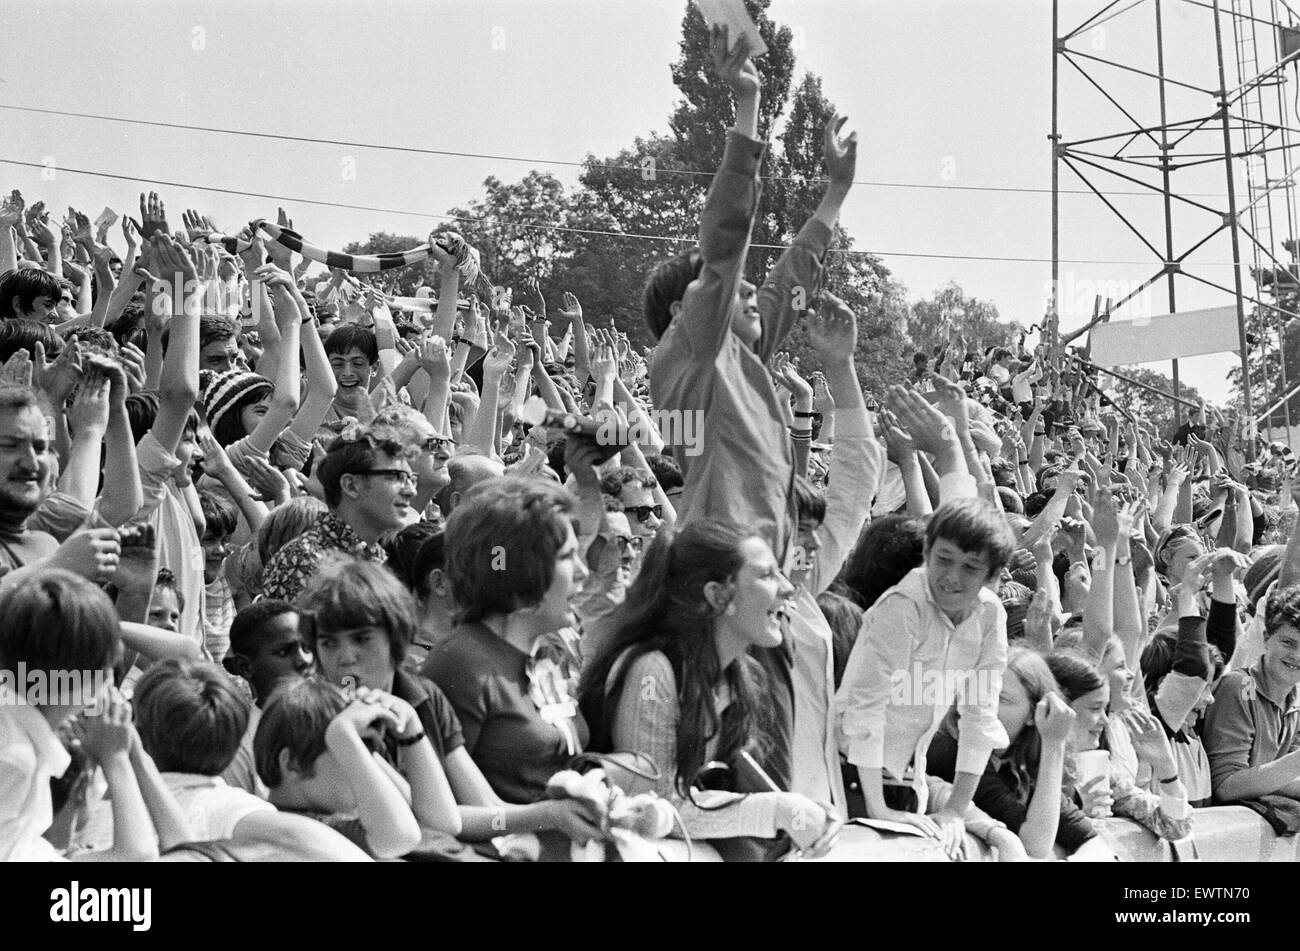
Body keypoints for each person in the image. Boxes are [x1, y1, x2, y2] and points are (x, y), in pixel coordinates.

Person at [580, 519, 840, 857]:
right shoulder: (652, 671)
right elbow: (652, 809)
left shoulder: (744, 676)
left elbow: (719, 795)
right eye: (766, 576)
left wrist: (807, 812)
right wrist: (779, 810)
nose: (788, 588)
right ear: (717, 595)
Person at [835, 497, 1015, 859]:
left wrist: (955, 811)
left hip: (910, 776)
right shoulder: (902, 605)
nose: (951, 577)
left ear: (991, 576)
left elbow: (979, 716)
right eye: (943, 559)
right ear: (928, 550)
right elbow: (865, 709)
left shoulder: (990, 614)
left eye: (970, 567)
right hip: (849, 774)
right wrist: (878, 810)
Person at [927, 646, 1112, 859]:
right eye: (977, 691)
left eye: (1001, 698)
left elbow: (1089, 839)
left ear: (1035, 714)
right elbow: (1035, 846)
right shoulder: (950, 749)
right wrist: (1054, 745)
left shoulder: (1018, 762)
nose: (982, 704)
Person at [255, 677, 457, 858]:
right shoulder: (299, 829)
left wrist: (411, 728)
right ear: (294, 763)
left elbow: (443, 824)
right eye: (347, 750)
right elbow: (402, 837)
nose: (363, 765)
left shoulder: (327, 811)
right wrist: (342, 733)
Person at [260, 423, 415, 603]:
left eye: (411, 479)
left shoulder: (377, 557)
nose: (411, 491)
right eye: (396, 477)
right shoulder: (305, 559)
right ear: (350, 485)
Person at [1203, 584, 1300, 805]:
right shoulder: (1240, 686)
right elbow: (1226, 785)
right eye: (1288, 642)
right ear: (1266, 638)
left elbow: (1289, 779)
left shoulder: (1295, 697)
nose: (1297, 655)